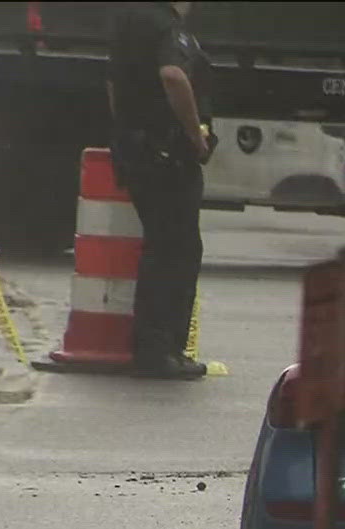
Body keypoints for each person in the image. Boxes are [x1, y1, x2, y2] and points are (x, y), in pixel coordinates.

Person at [108, 1, 216, 379]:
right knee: (178, 250)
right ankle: (162, 350)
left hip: (137, 150)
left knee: (160, 246)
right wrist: (195, 136)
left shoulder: (130, 19)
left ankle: (152, 345)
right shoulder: (169, 26)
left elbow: (112, 84)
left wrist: (125, 131)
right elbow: (173, 74)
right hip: (167, 153)